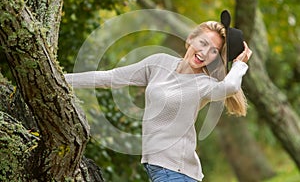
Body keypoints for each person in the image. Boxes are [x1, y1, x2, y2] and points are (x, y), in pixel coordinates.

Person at [64, 20, 252, 182]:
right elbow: (110, 78)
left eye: (213, 51)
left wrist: (239, 64)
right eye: (202, 43)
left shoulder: (203, 84)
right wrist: (63, 79)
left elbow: (230, 87)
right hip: (161, 169)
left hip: (175, 172)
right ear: (190, 39)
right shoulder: (159, 63)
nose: (204, 52)